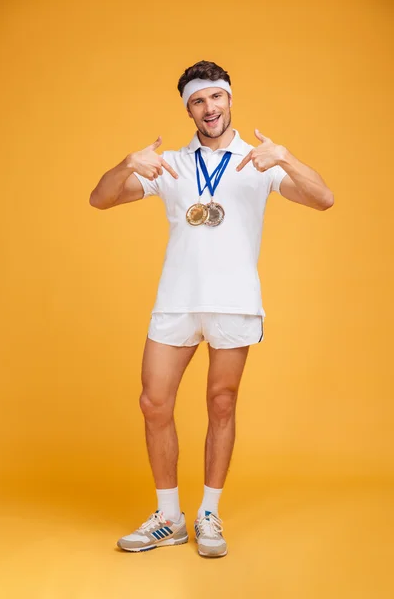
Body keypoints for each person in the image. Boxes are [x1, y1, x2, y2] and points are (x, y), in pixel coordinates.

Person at [89, 60, 334, 558]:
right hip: (177, 300)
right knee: (153, 403)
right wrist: (127, 164)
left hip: (235, 302)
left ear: (229, 100)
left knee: (221, 405)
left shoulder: (258, 162)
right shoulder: (173, 165)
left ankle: (208, 514)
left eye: (216, 97)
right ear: (188, 109)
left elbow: (323, 198)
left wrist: (284, 157)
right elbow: (100, 199)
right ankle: (168, 517)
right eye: (198, 101)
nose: (209, 108)